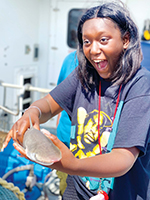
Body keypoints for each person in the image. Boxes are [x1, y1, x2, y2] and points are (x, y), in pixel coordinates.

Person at [3, 1, 150, 199]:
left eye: (103, 40)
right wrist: (31, 113)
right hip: (78, 186)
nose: (93, 49)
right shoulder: (84, 74)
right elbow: (47, 104)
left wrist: (74, 165)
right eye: (86, 41)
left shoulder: (140, 84)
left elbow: (124, 158)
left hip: (123, 192)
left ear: (126, 39)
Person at [56, 51, 78, 196]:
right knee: (65, 189)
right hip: (65, 147)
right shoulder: (70, 60)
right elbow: (58, 101)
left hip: (93, 156)